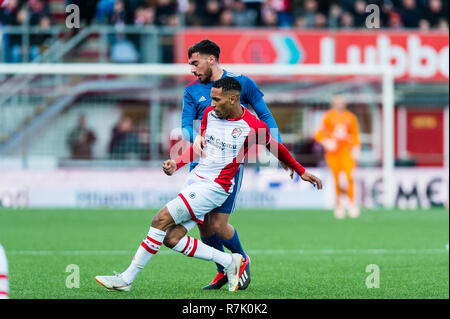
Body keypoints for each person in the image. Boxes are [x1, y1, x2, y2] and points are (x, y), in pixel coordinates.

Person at [95, 77, 322, 292]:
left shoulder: (252, 126)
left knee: (159, 220)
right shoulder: (209, 114)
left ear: (233, 99)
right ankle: (229, 261)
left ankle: (125, 279)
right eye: (211, 99)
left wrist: (300, 170)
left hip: (215, 187)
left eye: (217, 99)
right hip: (196, 181)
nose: (211, 104)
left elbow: (276, 147)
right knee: (171, 238)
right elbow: (202, 146)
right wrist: (177, 162)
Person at [178, 39, 292, 290]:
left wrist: (279, 151)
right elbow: (186, 122)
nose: (192, 69)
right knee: (203, 224)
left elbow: (265, 115)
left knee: (217, 223)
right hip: (200, 163)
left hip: (228, 164)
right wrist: (193, 137)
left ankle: (241, 259)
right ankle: (222, 270)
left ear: (211, 59)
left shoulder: (243, 82)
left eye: (195, 63)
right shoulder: (191, 90)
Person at [314, 94, 361, 219]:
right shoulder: (328, 117)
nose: (340, 104)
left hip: (346, 151)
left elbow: (355, 134)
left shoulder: (350, 117)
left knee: (349, 177)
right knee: (336, 178)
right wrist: (326, 142)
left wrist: (356, 148)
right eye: (337, 102)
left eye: (342, 102)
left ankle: (352, 204)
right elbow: (318, 133)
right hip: (333, 153)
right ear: (333, 103)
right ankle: (339, 205)